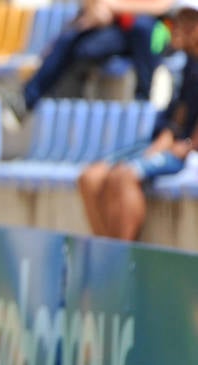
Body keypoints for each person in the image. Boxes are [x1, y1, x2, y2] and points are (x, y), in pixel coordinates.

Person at [77, 0, 198, 240]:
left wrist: (183, 146)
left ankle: (122, 257)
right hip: (169, 141)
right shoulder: (187, 64)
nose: (177, 27)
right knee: (90, 177)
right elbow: (178, 117)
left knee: (124, 176)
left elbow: (186, 138)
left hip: (186, 152)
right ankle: (109, 256)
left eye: (188, 21)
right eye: (177, 20)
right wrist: (163, 142)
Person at [0, 0, 170, 128]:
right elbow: (95, 8)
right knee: (69, 40)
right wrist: (97, 11)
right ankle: (26, 100)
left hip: (151, 34)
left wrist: (114, 6)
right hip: (113, 32)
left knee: (143, 28)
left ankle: (142, 103)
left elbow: (162, 5)